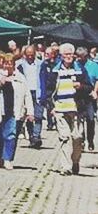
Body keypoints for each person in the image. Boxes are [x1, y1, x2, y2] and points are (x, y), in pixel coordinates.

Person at [43, 42, 95, 175]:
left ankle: (75, 161)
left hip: (76, 109)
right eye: (66, 54)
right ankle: (65, 167)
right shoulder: (55, 71)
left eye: (71, 54)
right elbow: (48, 90)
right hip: (60, 109)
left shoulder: (79, 70)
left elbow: (89, 87)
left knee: (77, 137)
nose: (69, 56)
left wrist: (80, 86)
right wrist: (51, 107)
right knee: (64, 137)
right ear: (61, 55)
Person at [0, 53, 33, 170]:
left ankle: (7, 159)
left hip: (13, 112)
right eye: (6, 63)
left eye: (10, 63)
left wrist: (30, 112)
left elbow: (27, 95)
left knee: (11, 136)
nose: (8, 66)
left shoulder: (20, 77)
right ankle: (0, 153)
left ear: (13, 64)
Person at [83, 46, 98, 151]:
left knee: (90, 119)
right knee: (79, 119)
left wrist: (95, 91)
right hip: (79, 96)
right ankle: (81, 141)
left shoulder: (94, 65)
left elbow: (97, 79)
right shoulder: (76, 65)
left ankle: (90, 140)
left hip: (90, 95)